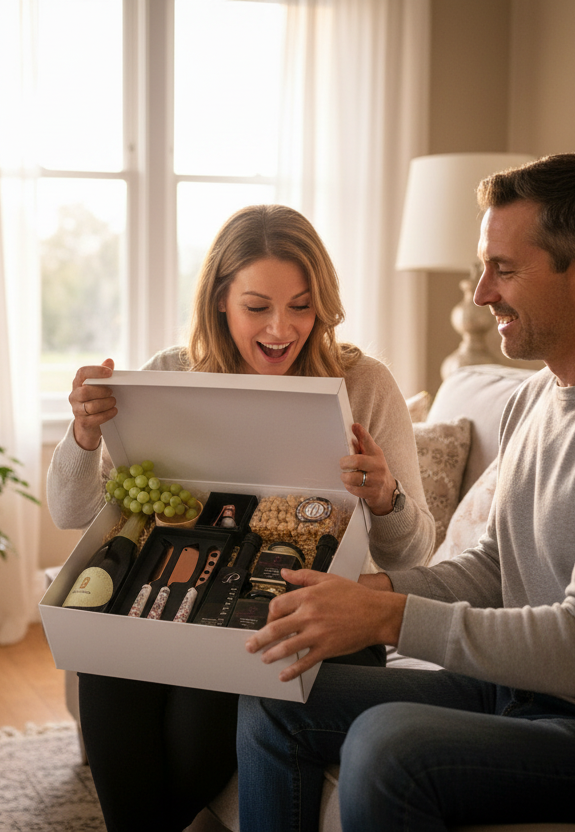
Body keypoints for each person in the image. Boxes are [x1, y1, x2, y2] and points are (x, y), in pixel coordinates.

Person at [236, 153, 575, 831]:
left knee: (387, 748)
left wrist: (387, 621)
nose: (481, 292)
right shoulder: (537, 394)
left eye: (504, 269)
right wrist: (372, 593)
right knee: (277, 699)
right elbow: (496, 567)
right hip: (520, 691)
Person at [46, 204, 438, 831]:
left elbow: (412, 557)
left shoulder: (365, 384)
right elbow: (71, 514)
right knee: (109, 657)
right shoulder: (174, 373)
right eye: (257, 307)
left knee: (207, 688)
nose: (282, 328)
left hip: (314, 619)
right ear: (220, 301)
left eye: (302, 306)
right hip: (190, 597)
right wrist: (84, 436)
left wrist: (386, 496)